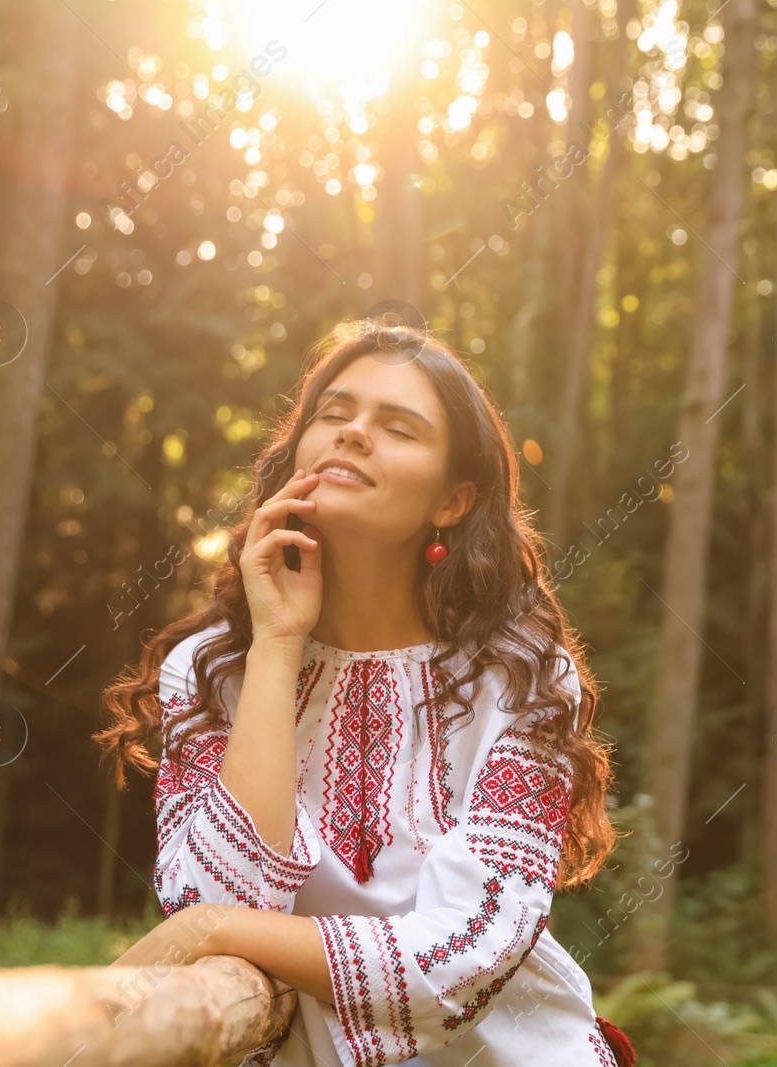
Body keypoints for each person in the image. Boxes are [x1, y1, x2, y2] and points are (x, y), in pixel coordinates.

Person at [94, 320, 637, 1067]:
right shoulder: (213, 669)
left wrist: (215, 931)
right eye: (334, 413)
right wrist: (279, 643)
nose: (352, 434)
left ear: (453, 500)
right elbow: (219, 890)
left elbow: (461, 957)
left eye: (399, 426)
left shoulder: (524, 682)